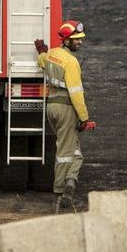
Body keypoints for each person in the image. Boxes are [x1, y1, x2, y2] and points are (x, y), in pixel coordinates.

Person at [34, 20, 96, 212]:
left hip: (51, 107)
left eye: (80, 39)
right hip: (66, 109)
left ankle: (70, 183)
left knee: (74, 151)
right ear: (67, 40)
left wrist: (42, 51)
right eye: (76, 40)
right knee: (64, 153)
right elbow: (76, 93)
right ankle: (61, 195)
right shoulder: (71, 62)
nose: (80, 42)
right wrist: (84, 118)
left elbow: (42, 61)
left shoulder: (52, 54)